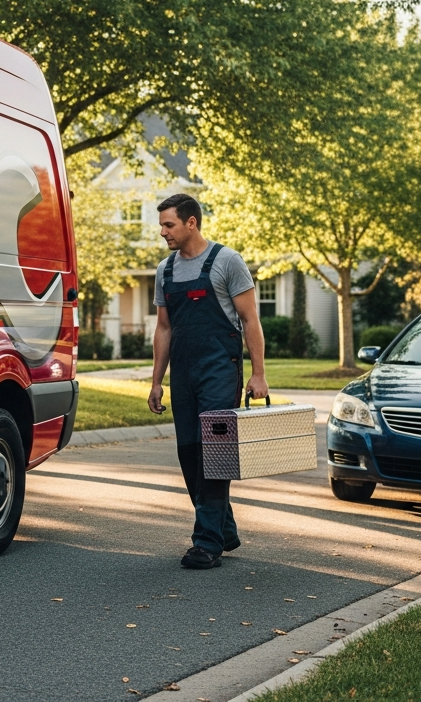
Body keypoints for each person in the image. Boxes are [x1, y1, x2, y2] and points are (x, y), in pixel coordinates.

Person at [147, 193, 267, 569]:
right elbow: (164, 328)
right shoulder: (165, 271)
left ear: (191, 223)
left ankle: (207, 543)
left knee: (213, 455)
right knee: (189, 454)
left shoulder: (227, 261)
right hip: (183, 372)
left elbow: (250, 320)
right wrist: (156, 381)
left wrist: (259, 374)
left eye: (169, 224)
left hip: (220, 369)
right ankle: (224, 529)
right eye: (161, 225)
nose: (163, 232)